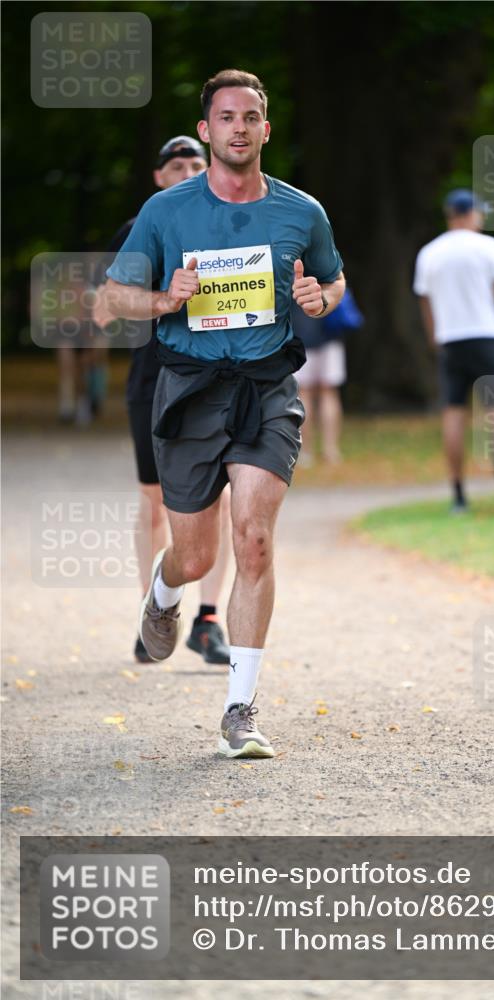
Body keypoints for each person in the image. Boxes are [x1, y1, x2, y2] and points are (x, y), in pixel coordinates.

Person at [103, 69, 345, 758]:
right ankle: (163, 590)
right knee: (195, 552)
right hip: (188, 386)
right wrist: (160, 299)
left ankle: (240, 708)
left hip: (266, 387)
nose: (239, 127)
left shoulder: (302, 212)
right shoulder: (166, 212)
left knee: (255, 539)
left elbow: (331, 278)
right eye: (226, 117)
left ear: (266, 129)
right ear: (207, 131)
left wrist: (319, 297)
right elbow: (116, 297)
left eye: (251, 117)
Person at [94, 136, 233, 666]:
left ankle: (208, 620)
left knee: (216, 499)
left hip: (220, 378)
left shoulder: (234, 224)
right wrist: (159, 295)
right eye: (176, 166)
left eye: (196, 163)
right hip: (155, 381)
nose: (187, 172)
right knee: (155, 500)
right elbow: (104, 310)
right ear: (159, 178)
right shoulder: (138, 230)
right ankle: (152, 611)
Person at [413, 188, 494, 514]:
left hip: (450, 339)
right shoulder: (489, 247)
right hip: (487, 335)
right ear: (471, 214)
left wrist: (436, 340)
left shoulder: (430, 253)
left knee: (454, 411)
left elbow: (426, 304)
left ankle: (459, 495)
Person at [290, 287, 363, 465]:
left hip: (301, 338)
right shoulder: (323, 262)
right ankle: (331, 451)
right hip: (330, 335)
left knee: (304, 394)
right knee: (329, 392)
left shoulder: (287, 267)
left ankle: (306, 453)